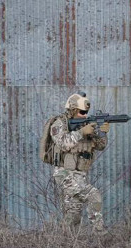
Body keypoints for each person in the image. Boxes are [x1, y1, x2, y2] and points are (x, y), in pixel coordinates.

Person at [50, 92, 110, 232]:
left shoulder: (86, 124)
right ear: (73, 109)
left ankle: (64, 245)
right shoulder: (59, 124)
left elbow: (100, 146)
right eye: (82, 112)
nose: (84, 115)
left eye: (86, 112)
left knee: (73, 216)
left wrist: (102, 132)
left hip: (79, 175)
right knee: (93, 195)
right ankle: (100, 234)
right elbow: (63, 143)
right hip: (65, 174)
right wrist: (82, 132)